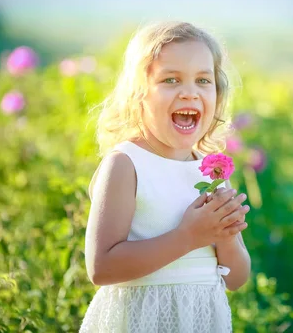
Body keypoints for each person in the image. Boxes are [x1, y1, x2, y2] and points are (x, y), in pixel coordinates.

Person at [79, 21, 251, 332]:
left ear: (218, 92)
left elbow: (235, 279)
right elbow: (100, 267)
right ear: (138, 95)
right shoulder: (126, 165)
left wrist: (225, 237)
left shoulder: (212, 172)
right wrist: (189, 237)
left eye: (203, 80)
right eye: (171, 80)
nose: (189, 93)